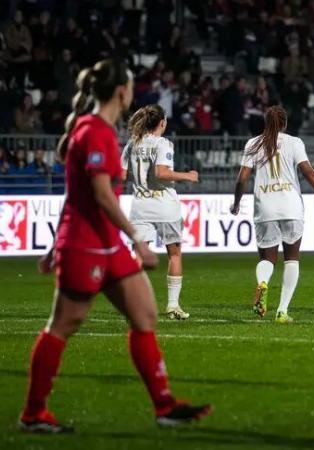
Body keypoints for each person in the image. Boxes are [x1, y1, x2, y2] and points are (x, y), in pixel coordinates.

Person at [19, 59, 210, 433]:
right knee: (62, 325)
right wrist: (137, 239)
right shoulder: (94, 132)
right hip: (87, 244)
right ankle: (33, 413)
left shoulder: (102, 132)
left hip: (106, 244)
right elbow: (100, 193)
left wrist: (51, 245)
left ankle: (164, 405)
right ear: (121, 92)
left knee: (145, 315)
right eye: (130, 86)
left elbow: (77, 193)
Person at [231, 106, 314, 323]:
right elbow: (308, 172)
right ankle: (282, 310)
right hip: (291, 206)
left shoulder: (253, 144)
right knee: (292, 259)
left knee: (267, 259)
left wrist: (236, 202)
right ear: (285, 124)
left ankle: (263, 283)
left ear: (265, 122)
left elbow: (242, 178)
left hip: (265, 207)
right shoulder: (294, 142)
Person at [121, 104, 199, 320]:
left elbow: (121, 175)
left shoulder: (132, 144)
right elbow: (162, 173)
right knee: (174, 253)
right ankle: (173, 305)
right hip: (164, 206)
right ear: (162, 123)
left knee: (138, 256)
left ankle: (131, 302)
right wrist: (188, 176)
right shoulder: (163, 144)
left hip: (140, 206)